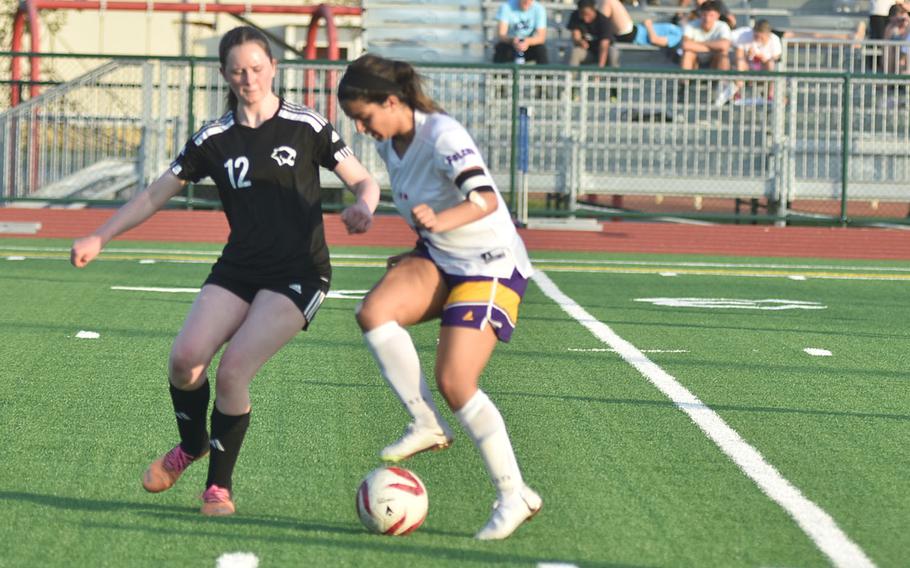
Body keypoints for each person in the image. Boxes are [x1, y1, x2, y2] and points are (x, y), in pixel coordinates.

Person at [69, 26, 380, 516]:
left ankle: (218, 487)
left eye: (257, 68)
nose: (248, 78)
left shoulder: (307, 126)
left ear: (273, 68)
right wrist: (100, 235)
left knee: (234, 369)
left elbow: (363, 179)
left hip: (299, 272)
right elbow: (154, 194)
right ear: (224, 76)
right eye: (237, 71)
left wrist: (364, 205)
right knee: (185, 360)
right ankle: (191, 446)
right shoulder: (214, 138)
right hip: (239, 266)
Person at [336, 54, 541, 540]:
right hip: (441, 257)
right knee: (375, 312)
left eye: (365, 117)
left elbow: (484, 198)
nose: (363, 129)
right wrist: (414, 248)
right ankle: (425, 422)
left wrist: (438, 223)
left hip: (489, 265)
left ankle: (513, 495)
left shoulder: (442, 134)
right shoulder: (391, 144)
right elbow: (425, 210)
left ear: (392, 100)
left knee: (455, 380)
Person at [730, 19, 783, 102]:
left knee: (770, 64)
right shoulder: (745, 35)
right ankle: (737, 92)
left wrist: (760, 56)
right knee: (740, 62)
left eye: (761, 36)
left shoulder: (774, 40)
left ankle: (770, 94)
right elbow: (739, 55)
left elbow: (775, 58)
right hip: (747, 67)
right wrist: (747, 55)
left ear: (768, 34)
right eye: (756, 36)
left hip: (764, 68)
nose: (758, 38)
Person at [567, 0, 614, 66]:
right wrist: (580, 41)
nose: (585, 18)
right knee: (576, 52)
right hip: (587, 52)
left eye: (587, 14)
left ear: (593, 10)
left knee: (613, 52)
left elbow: (604, 45)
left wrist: (599, 69)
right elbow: (576, 35)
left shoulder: (603, 21)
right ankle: (572, 76)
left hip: (602, 53)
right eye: (582, 14)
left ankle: (614, 75)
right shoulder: (576, 16)